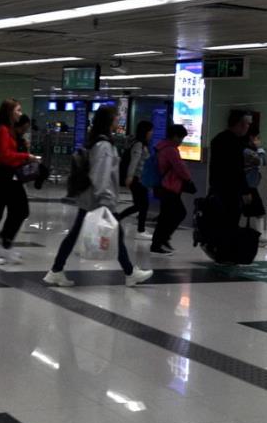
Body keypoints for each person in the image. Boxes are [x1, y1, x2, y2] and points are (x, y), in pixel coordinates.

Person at [43, 107, 153, 288]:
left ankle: (56, 270)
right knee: (115, 233)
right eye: (116, 117)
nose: (118, 120)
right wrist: (104, 201)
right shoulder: (104, 145)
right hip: (98, 199)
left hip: (90, 198)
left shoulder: (96, 141)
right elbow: (101, 175)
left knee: (78, 234)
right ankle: (130, 273)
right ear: (109, 121)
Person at [0, 99, 40, 264]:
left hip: (10, 177)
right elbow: (4, 156)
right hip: (2, 177)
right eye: (18, 110)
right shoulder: (2, 130)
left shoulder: (9, 130)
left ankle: (5, 244)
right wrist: (26, 156)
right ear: (9, 111)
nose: (20, 113)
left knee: (20, 211)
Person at [151, 124, 192, 255]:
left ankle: (160, 241)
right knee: (179, 213)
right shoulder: (171, 150)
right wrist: (188, 178)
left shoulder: (161, 146)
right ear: (174, 136)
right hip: (170, 186)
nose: (181, 141)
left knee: (166, 215)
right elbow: (180, 168)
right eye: (180, 138)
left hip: (163, 186)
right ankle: (160, 241)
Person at [209, 110, 253, 228]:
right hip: (231, 190)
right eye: (247, 124)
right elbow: (237, 169)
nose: (248, 127)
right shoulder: (235, 143)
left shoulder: (218, 139)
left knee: (219, 223)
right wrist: (245, 191)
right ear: (239, 124)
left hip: (217, 187)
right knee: (230, 221)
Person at [117, 120, 153, 240]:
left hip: (140, 179)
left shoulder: (141, 144)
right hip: (137, 179)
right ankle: (139, 229)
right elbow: (134, 161)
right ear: (145, 131)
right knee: (142, 205)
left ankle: (119, 219)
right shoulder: (138, 145)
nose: (152, 133)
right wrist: (130, 177)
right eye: (150, 131)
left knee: (141, 205)